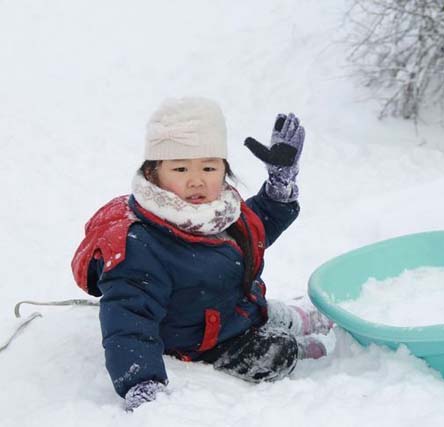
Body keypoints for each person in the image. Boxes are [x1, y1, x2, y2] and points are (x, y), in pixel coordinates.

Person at [71, 97, 333, 411]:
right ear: (154, 173)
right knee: (278, 351)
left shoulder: (218, 211)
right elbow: (128, 320)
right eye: (180, 168)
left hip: (233, 309)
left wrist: (279, 188)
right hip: (201, 340)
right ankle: (300, 349)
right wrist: (140, 381)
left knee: (272, 312)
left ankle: (292, 319)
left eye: (209, 167)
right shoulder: (140, 244)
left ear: (224, 170)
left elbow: (255, 229)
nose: (196, 180)